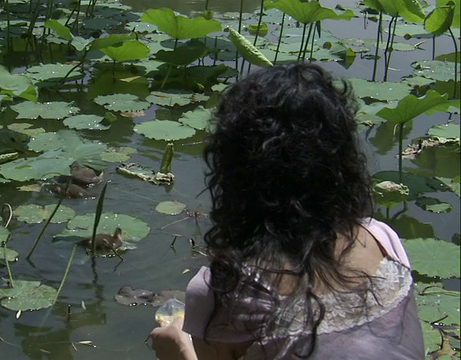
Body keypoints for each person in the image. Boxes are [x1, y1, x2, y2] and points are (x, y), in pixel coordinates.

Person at [149, 63, 424, 359]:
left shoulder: (227, 291)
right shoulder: (383, 239)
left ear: (234, 169)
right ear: (341, 162)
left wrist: (178, 349)